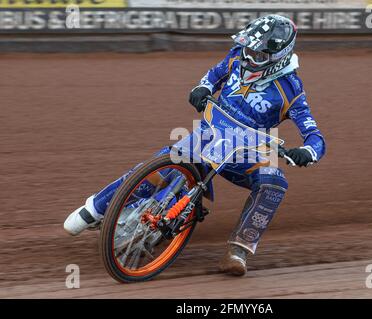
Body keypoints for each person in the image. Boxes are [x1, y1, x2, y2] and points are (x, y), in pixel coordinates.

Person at [64, 15, 326, 276]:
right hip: (209, 136)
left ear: (278, 56)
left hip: (244, 154)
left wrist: (307, 152)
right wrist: (203, 87)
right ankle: (96, 209)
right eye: (248, 49)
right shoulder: (237, 56)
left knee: (274, 182)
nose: (248, 57)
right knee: (165, 163)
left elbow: (315, 136)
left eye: (257, 54)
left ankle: (239, 251)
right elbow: (214, 74)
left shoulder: (291, 91)